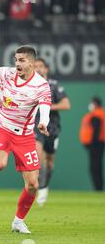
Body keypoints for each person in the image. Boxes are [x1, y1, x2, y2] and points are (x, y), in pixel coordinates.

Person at [0, 45, 52, 234]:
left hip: (25, 136)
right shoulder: (7, 74)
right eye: (16, 59)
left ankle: (18, 221)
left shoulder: (41, 85)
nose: (17, 64)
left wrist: (43, 122)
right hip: (3, 127)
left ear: (32, 63)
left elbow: (45, 107)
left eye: (22, 60)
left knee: (33, 184)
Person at [34, 58, 71, 205]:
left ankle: (45, 185)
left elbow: (66, 104)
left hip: (52, 127)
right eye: (35, 66)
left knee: (49, 161)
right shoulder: (28, 85)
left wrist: (47, 106)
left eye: (41, 66)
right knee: (38, 157)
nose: (38, 69)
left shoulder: (54, 85)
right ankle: (40, 188)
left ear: (46, 69)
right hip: (35, 126)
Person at [80, 97, 104, 192]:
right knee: (96, 167)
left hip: (96, 145)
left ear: (95, 103)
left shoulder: (97, 114)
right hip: (97, 144)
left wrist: (93, 144)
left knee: (95, 168)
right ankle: (98, 189)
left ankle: (98, 189)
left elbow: (96, 131)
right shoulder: (98, 113)